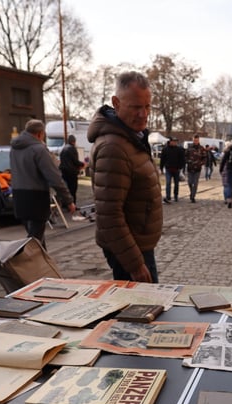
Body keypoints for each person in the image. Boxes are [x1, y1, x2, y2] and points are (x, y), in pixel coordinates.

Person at [88, 70, 162, 283]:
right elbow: (109, 214)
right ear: (116, 103)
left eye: (147, 106)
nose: (143, 114)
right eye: (136, 107)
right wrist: (135, 264)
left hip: (137, 246)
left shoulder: (131, 138)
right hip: (129, 251)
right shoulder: (114, 147)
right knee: (141, 310)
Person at [10, 119, 76, 247]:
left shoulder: (14, 148)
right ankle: (31, 264)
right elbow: (55, 178)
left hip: (19, 197)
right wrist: (68, 200)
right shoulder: (39, 149)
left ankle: (43, 265)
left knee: (36, 238)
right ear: (40, 133)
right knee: (35, 242)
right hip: (36, 198)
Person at [59, 134, 86, 217]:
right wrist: (83, 164)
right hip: (71, 172)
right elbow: (75, 161)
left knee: (65, 188)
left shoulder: (63, 149)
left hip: (63, 171)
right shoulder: (72, 149)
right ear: (73, 141)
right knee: (73, 189)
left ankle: (65, 204)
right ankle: (72, 205)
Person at [159, 137, 185, 203]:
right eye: (173, 141)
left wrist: (181, 167)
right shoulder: (165, 149)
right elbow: (162, 159)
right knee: (168, 183)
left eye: (176, 142)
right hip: (168, 169)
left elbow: (182, 159)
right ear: (170, 142)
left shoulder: (179, 149)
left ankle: (176, 195)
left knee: (176, 183)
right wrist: (161, 168)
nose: (174, 143)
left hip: (176, 169)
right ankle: (168, 196)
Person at [184, 134, 207, 203]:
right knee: (190, 182)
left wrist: (201, 163)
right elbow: (185, 156)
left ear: (198, 140)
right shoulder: (189, 148)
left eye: (197, 140)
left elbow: (205, 157)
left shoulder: (201, 148)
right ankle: (192, 192)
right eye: (194, 140)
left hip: (197, 168)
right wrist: (188, 161)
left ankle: (193, 196)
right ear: (193, 140)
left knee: (195, 183)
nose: (195, 141)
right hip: (190, 168)